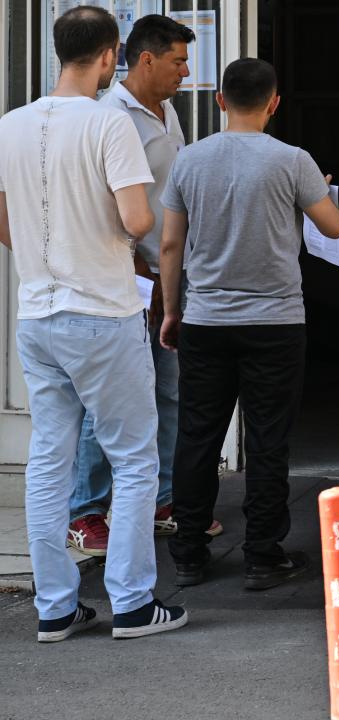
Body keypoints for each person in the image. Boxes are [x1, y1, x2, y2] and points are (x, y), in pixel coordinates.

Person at [0, 5, 188, 641]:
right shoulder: (109, 122)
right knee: (134, 460)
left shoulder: (11, 124)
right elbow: (138, 220)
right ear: (110, 56)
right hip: (103, 311)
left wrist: (43, 245)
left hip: (37, 313)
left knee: (48, 461)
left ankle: (55, 607)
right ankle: (131, 602)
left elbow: (4, 218)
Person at [158, 58, 339, 590]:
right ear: (274, 103)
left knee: (197, 436)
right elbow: (334, 225)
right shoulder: (293, 160)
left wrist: (172, 311)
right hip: (275, 323)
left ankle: (189, 553)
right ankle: (263, 555)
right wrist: (317, 190)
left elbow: (170, 244)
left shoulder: (190, 160)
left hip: (205, 319)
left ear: (220, 100)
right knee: (267, 439)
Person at [67, 13, 224, 558]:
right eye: (178, 61)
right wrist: (140, 269)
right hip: (126, 278)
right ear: (147, 59)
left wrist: (170, 275)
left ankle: (163, 500)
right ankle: (85, 512)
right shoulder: (111, 117)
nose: (186, 72)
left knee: (170, 391)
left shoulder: (167, 111)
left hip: (169, 275)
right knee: (109, 398)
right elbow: (105, 204)